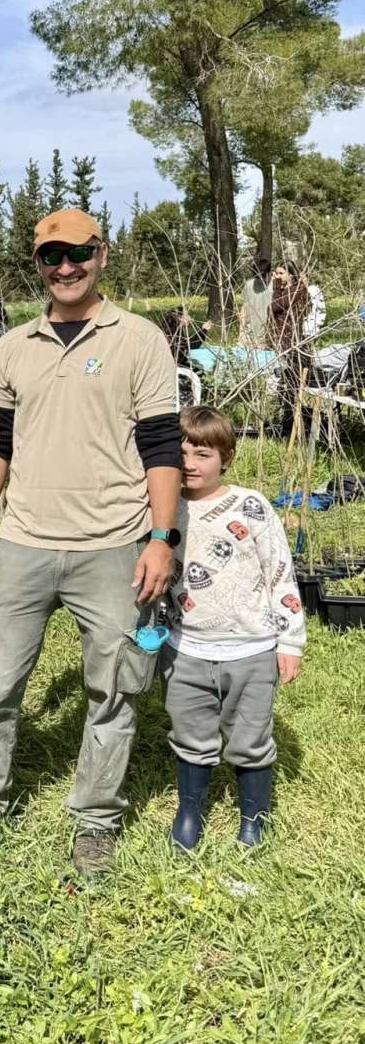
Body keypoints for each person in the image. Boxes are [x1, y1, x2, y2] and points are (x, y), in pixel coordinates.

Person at [0, 209, 182, 875]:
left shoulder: (139, 339)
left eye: (78, 253)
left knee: (113, 686)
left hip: (115, 542)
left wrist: (161, 538)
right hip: (23, 540)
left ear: (102, 255)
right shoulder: (15, 344)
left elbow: (162, 445)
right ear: (38, 263)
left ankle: (96, 818)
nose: (66, 267)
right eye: (52, 256)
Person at [164, 406, 305, 851]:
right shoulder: (163, 511)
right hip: (186, 646)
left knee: (249, 737)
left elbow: (280, 572)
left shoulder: (250, 507)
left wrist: (290, 640)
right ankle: (190, 813)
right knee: (190, 733)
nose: (189, 462)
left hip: (251, 648)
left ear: (225, 457)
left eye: (202, 453)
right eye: (181, 452)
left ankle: (253, 819)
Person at [271, 261, 310, 438]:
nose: (276, 277)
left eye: (280, 274)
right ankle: (284, 424)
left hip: (292, 344)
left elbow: (274, 306)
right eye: (276, 274)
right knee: (280, 386)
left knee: (291, 387)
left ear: (291, 275)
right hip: (281, 342)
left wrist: (276, 287)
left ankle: (291, 427)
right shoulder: (286, 290)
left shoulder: (297, 290)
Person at [239, 256, 273, 349]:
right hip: (249, 333)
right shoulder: (249, 285)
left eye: (262, 276)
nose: (259, 279)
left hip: (266, 334)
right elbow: (244, 308)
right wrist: (242, 331)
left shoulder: (274, 286)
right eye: (257, 276)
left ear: (268, 273)